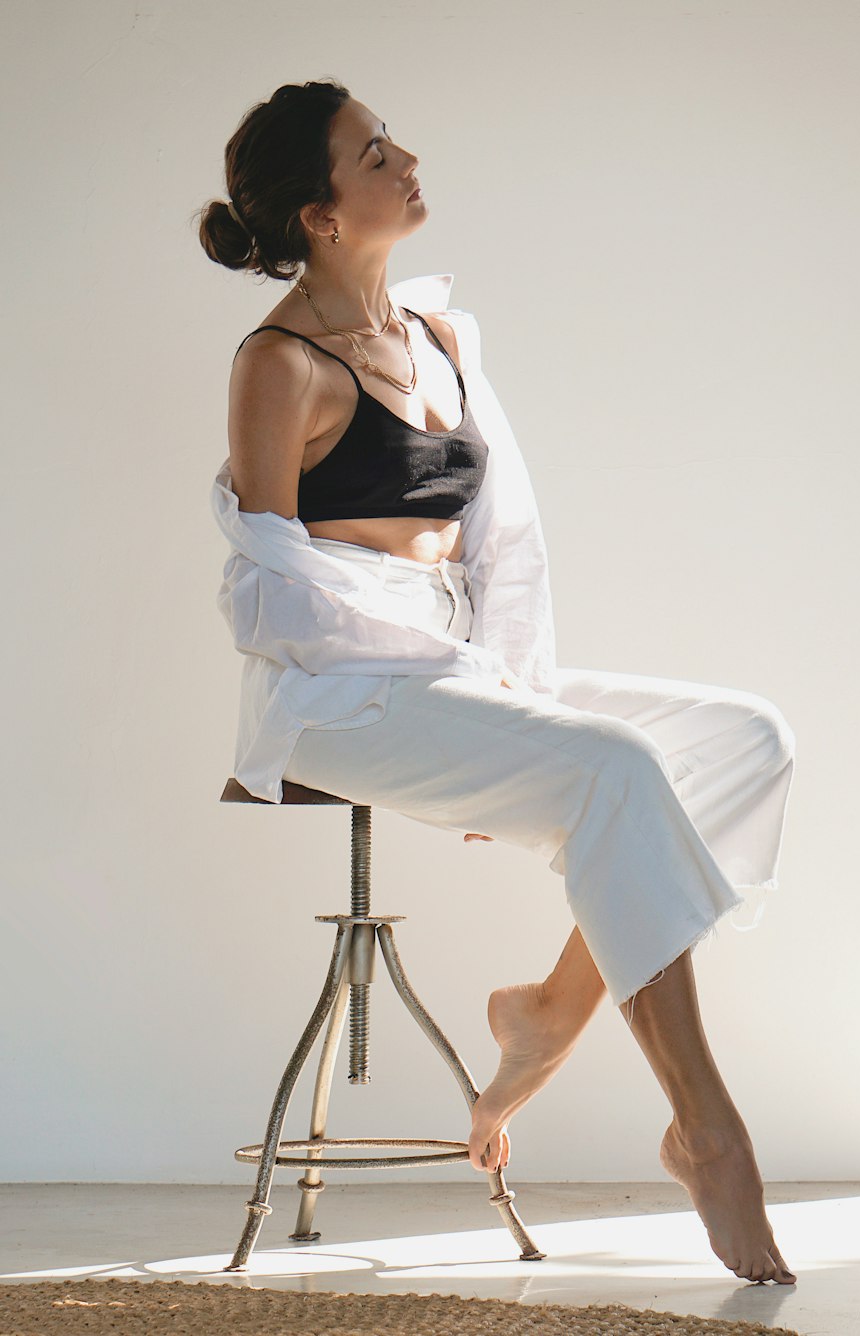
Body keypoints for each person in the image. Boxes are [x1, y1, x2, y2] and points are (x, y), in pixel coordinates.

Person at [198, 79, 798, 1286]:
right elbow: (266, 592)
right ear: (322, 214)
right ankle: (707, 1130)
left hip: (461, 668)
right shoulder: (279, 365)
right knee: (614, 769)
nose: (405, 156)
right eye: (373, 152)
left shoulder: (441, 337)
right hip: (344, 697)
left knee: (744, 738)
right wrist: (465, 691)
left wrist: (506, 693)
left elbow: (503, 548)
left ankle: (549, 1015)